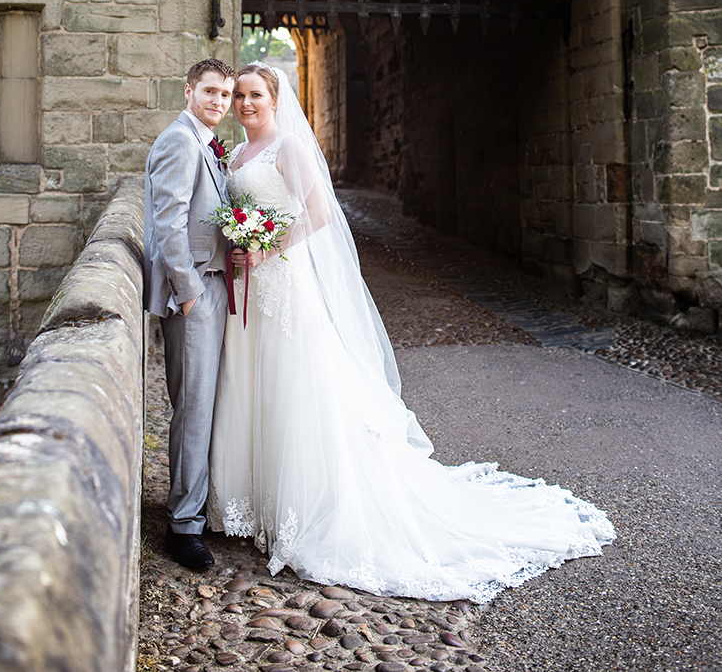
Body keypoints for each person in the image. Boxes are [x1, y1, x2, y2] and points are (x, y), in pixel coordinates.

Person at [206, 62, 615, 601]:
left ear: (276, 99)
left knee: (292, 384)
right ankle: (249, 501)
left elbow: (320, 213)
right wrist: (242, 247)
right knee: (250, 382)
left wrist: (267, 248)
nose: (245, 104)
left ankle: (301, 505)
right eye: (239, 95)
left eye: (255, 94)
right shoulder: (235, 155)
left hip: (283, 283)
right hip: (250, 291)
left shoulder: (289, 147)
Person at [144, 58, 236, 571]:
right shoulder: (180, 140)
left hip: (215, 284)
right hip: (195, 293)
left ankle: (198, 506)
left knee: (206, 402)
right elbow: (168, 221)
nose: (219, 101)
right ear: (188, 91)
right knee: (193, 406)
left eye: (225, 94)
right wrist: (190, 290)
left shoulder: (206, 140)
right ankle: (183, 527)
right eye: (210, 92)